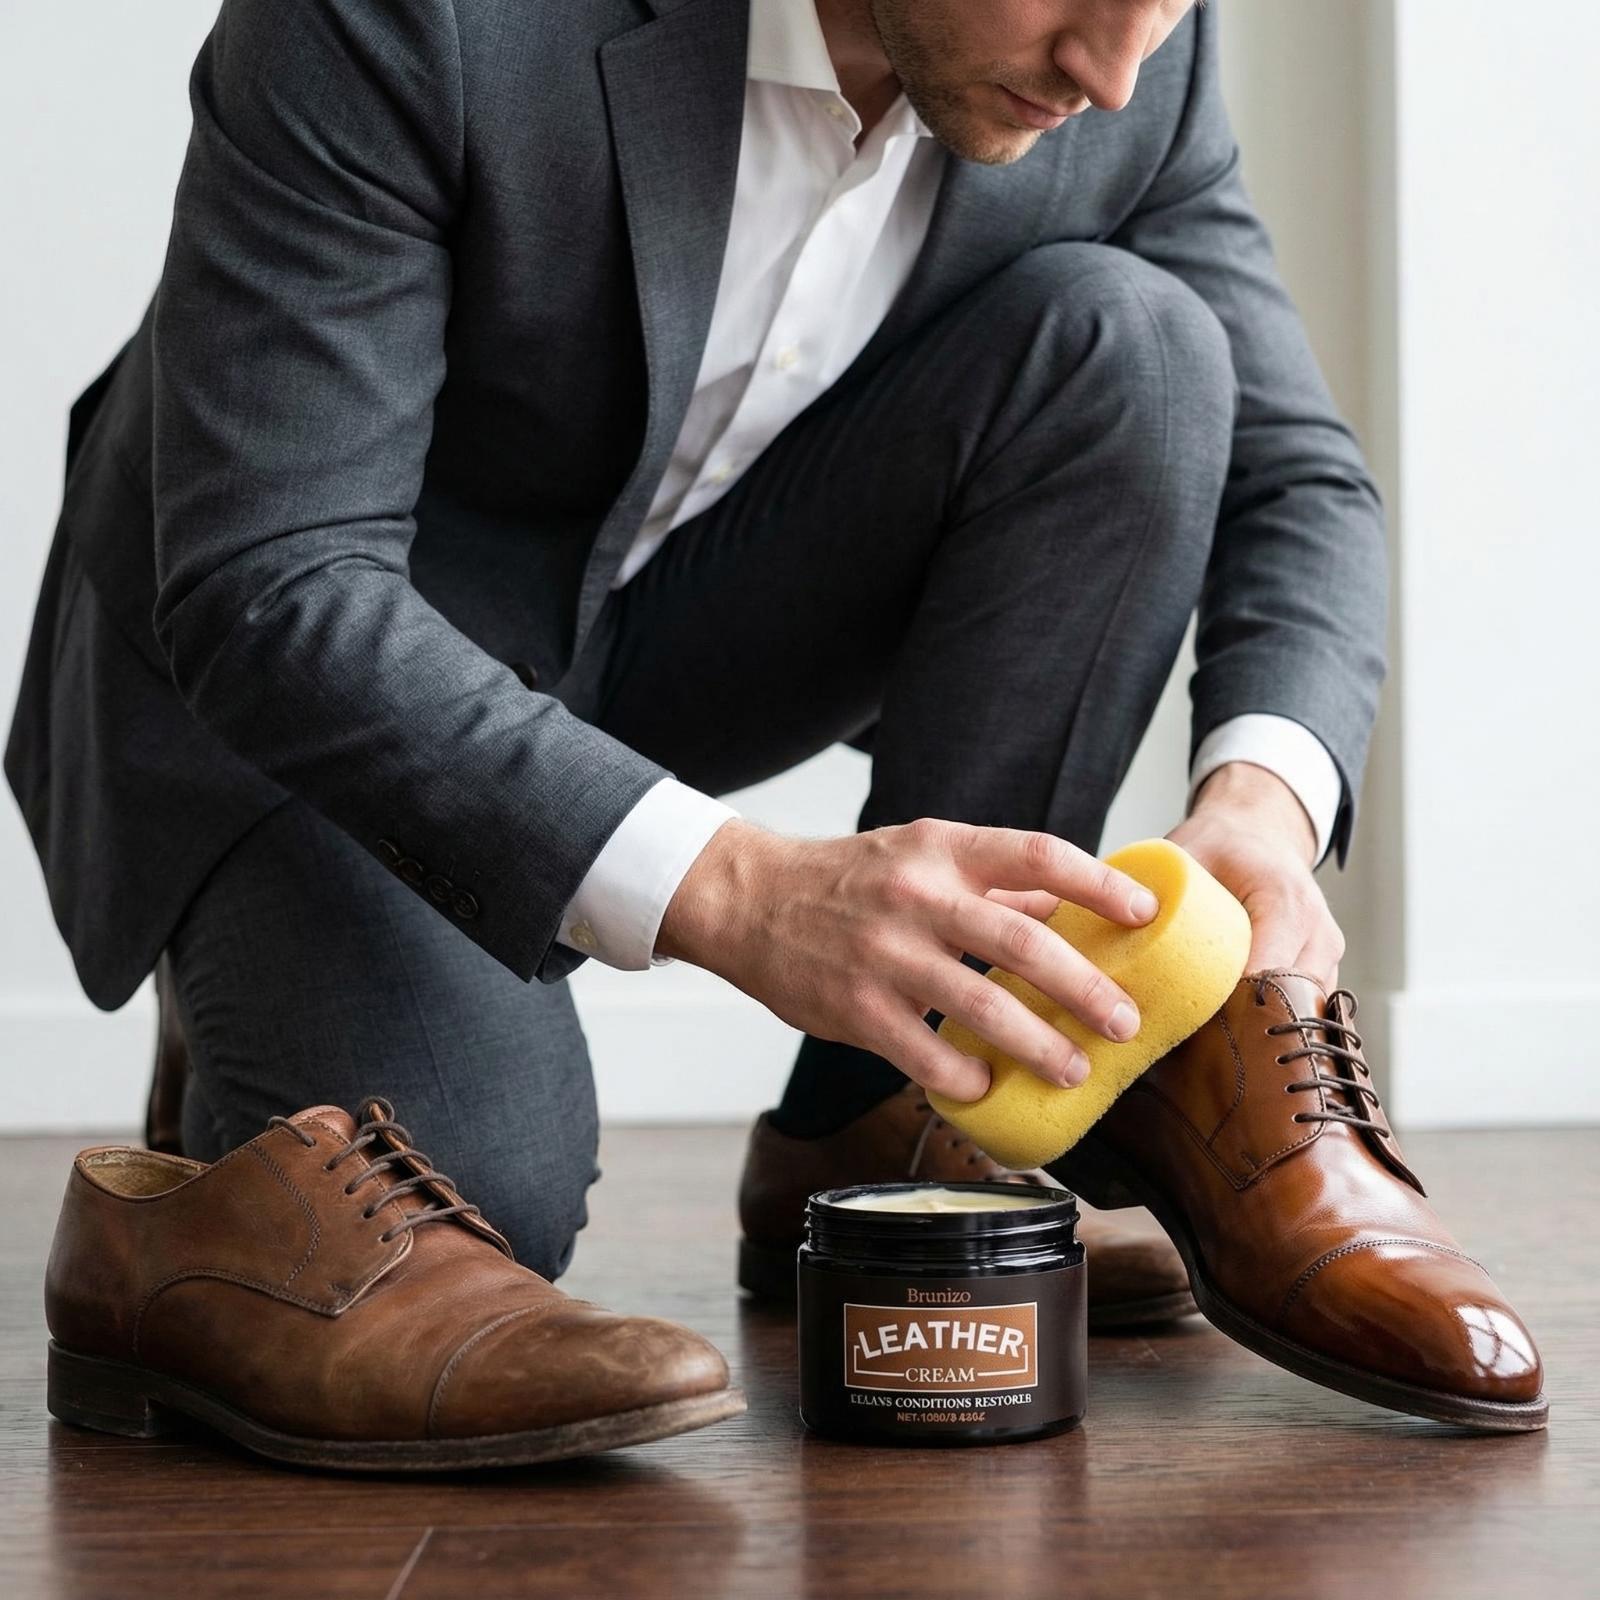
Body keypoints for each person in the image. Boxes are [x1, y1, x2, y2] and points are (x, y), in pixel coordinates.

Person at [10, 0, 1546, 1456]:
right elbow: (270, 581)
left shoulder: (1128, 63)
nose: (1113, 70)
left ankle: (893, 1113)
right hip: (288, 671)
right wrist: (743, 890)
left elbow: (1295, 473)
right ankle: (154, 1236)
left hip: (653, 604)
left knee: (1135, 349)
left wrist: (1262, 807)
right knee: (473, 1199)